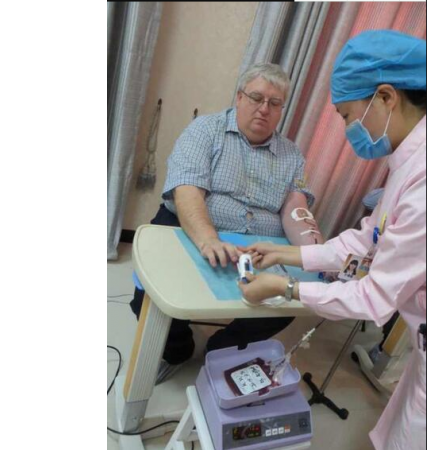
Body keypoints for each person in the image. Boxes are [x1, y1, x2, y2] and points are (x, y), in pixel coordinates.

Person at [238, 30, 426, 450]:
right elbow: (368, 237)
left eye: (346, 116)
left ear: (385, 98)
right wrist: (286, 252)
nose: (347, 129)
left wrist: (286, 287)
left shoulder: (427, 179)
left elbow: (373, 296)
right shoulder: (409, 161)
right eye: (254, 98)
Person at [130, 63, 324, 383]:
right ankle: (177, 349)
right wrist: (208, 239)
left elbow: (296, 207)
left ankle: (219, 350)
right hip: (192, 228)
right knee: (150, 298)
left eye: (274, 103)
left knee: (285, 304)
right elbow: (187, 190)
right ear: (239, 97)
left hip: (258, 246)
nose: (264, 109)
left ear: (281, 110)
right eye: (256, 98)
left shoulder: (291, 155)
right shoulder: (205, 130)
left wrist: (318, 254)